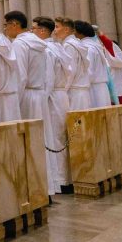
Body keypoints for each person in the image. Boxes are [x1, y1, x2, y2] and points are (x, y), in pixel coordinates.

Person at [33, 17, 72, 193]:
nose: (31, 32)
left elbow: (47, 78)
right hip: (62, 93)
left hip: (53, 96)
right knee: (61, 136)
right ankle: (65, 178)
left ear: (42, 30)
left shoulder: (47, 50)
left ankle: (59, 181)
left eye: (33, 29)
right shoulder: (58, 47)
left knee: (55, 137)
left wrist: (43, 98)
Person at [7, 10, 52, 126]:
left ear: (14, 25)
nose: (5, 29)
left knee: (30, 136)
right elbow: (48, 74)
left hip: (27, 96)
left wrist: (15, 102)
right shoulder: (38, 42)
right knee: (42, 136)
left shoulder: (19, 43)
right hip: (40, 94)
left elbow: (21, 76)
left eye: (6, 25)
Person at [56, 17, 94, 111]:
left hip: (74, 92)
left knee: (76, 124)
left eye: (57, 27)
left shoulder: (69, 45)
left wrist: (63, 91)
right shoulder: (77, 43)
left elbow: (70, 71)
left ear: (66, 29)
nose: (54, 30)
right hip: (82, 91)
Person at [76, 21, 113, 107]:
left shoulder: (87, 48)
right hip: (101, 88)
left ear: (80, 33)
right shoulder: (95, 46)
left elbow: (89, 71)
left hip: (93, 90)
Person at [97, 29, 122, 104]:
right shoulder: (106, 59)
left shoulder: (120, 58)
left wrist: (102, 36)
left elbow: (110, 46)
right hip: (109, 90)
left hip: (117, 91)